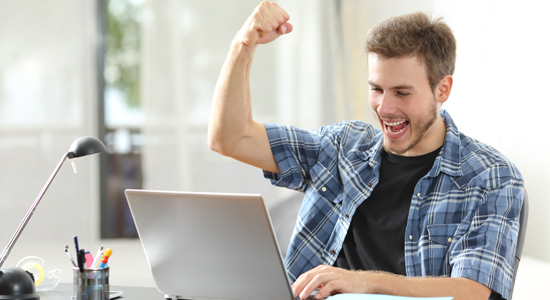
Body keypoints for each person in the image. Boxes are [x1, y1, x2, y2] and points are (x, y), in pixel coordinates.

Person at [208, 2, 524, 300]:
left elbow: (474, 291)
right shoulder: (341, 147)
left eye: (402, 92)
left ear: (442, 89)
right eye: (376, 89)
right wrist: (243, 46)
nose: (384, 108)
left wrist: (361, 282)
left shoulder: (489, 176)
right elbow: (230, 138)